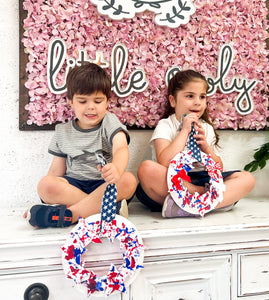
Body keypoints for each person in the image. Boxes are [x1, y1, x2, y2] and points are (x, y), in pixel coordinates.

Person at [26, 62, 137, 228]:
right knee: (45, 184)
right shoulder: (62, 131)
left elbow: (121, 147)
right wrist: (48, 195)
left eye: (98, 101)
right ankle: (107, 210)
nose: (91, 107)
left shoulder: (109, 122)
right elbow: (56, 172)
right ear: (71, 102)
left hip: (103, 185)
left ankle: (72, 213)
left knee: (128, 180)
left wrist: (117, 168)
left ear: (107, 102)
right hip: (74, 185)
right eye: (83, 101)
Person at [136, 69, 255, 217]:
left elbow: (218, 169)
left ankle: (185, 207)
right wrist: (184, 131)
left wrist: (206, 147)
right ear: (173, 100)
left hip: (203, 178)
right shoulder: (166, 125)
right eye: (190, 96)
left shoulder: (206, 128)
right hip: (175, 178)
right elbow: (165, 161)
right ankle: (211, 200)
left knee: (247, 179)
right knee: (146, 169)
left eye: (202, 97)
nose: (197, 102)